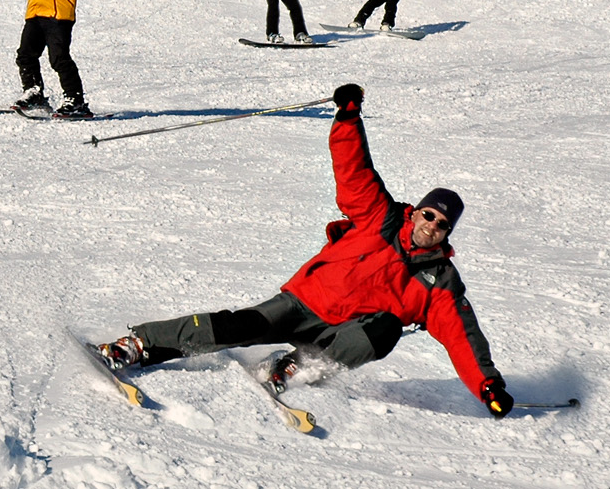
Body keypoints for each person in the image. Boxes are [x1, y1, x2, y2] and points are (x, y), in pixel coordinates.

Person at [96, 85, 513, 421]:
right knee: (237, 326)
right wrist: (349, 117)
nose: (432, 226)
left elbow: (463, 336)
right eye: (429, 215)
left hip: (339, 336)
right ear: (417, 210)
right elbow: (355, 171)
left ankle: (293, 367)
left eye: (442, 225)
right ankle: (139, 344)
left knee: (385, 330)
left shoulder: (439, 279)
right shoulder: (382, 217)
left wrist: (487, 385)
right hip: (301, 304)